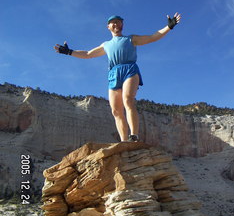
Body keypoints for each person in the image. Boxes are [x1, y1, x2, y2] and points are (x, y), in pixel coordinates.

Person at [54, 13, 181, 142]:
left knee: (128, 99)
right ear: (108, 26)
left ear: (122, 25)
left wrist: (169, 27)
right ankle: (124, 141)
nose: (116, 24)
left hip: (129, 69)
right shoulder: (106, 44)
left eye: (118, 22)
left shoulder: (131, 39)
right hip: (114, 73)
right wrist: (69, 52)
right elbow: (88, 54)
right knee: (116, 111)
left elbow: (152, 37)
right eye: (113, 22)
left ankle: (134, 136)